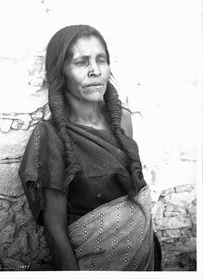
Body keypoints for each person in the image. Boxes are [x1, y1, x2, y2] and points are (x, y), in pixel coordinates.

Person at [18, 24, 162, 271]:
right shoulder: (51, 137)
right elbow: (55, 228)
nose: (95, 71)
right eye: (82, 62)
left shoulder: (122, 120)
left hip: (145, 258)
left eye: (101, 60)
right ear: (60, 73)